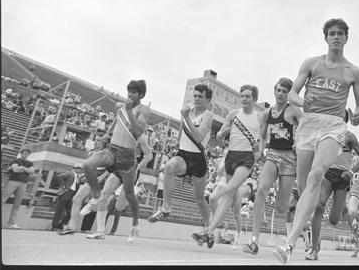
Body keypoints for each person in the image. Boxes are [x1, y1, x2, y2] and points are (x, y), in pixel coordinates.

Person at [273, 18, 359, 264]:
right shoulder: (311, 63)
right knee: (305, 187)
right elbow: (293, 93)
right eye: (332, 33)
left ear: (346, 38)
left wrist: (358, 114)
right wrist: (304, 102)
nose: (336, 37)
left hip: (333, 125)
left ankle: (289, 243)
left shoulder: (353, 72)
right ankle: (305, 234)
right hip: (309, 123)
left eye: (340, 34)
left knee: (316, 175)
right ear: (326, 38)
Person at [192, 85, 263, 248]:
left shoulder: (259, 117)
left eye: (247, 96)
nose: (244, 99)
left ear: (254, 99)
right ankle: (211, 232)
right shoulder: (233, 114)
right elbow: (222, 130)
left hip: (246, 158)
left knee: (229, 190)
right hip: (231, 156)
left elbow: (263, 136)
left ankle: (208, 231)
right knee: (230, 197)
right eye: (242, 96)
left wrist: (259, 150)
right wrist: (221, 133)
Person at [81, 80, 152, 242]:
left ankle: (135, 226)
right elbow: (116, 120)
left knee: (129, 196)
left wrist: (129, 110)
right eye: (129, 91)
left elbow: (138, 130)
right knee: (89, 167)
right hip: (113, 150)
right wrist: (107, 134)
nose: (130, 95)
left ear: (141, 95)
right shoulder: (121, 107)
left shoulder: (143, 110)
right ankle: (99, 227)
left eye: (134, 92)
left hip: (127, 158)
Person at [242, 78, 303, 255]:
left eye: (284, 91)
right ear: (274, 91)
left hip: (290, 158)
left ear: (289, 94)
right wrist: (261, 149)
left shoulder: (295, 111)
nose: (280, 94)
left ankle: (292, 201)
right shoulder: (267, 113)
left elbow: (306, 129)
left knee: (281, 208)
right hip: (273, 154)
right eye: (278, 90)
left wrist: (298, 142)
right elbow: (262, 135)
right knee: (261, 189)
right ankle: (254, 240)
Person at [148, 83, 214, 230]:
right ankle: (166, 207)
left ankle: (208, 228)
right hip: (184, 154)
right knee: (169, 167)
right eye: (195, 96)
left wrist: (187, 118)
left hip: (198, 159)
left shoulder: (207, 115)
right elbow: (180, 134)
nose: (196, 98)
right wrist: (176, 145)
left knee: (199, 199)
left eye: (200, 96)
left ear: (208, 100)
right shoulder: (187, 112)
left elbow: (198, 137)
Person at [305, 130, 359, 261]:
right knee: (319, 205)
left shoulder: (349, 136)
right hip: (327, 174)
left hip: (343, 178)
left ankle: (342, 208)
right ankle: (314, 248)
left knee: (334, 220)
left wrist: (351, 171)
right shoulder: (324, 133)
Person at [58, 135, 110, 235]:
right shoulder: (92, 152)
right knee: (77, 200)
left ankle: (74, 227)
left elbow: (112, 168)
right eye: (95, 140)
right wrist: (84, 175)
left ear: (104, 143)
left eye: (98, 140)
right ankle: (72, 227)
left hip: (97, 179)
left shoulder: (106, 153)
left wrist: (102, 177)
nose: (96, 142)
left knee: (77, 199)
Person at [3, 148, 35, 229]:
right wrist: (26, 170)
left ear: (29, 155)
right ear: (21, 153)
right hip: (13, 181)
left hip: (23, 183)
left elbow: (31, 171)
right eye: (24, 153)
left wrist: (22, 168)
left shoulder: (30, 163)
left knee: (17, 204)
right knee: (2, 200)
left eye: (27, 153)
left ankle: (11, 224)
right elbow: (15, 169)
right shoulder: (16, 160)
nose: (25, 154)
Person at [51, 163, 85, 231]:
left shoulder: (78, 176)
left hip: (72, 194)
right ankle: (54, 226)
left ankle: (61, 225)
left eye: (80, 169)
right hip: (66, 192)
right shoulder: (70, 173)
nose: (79, 170)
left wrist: (82, 182)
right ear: (74, 168)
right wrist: (62, 186)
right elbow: (60, 176)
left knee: (70, 212)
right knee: (59, 210)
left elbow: (76, 184)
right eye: (77, 168)